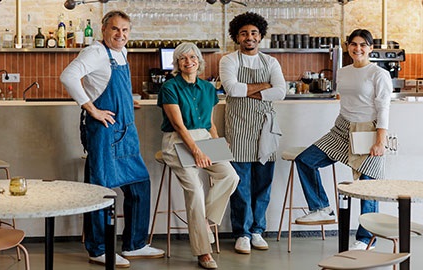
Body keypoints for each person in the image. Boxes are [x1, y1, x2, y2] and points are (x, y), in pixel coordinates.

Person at [60, 10, 164, 267]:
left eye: (125, 30)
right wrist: (92, 108)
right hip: (105, 133)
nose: (120, 35)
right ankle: (98, 249)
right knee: (101, 191)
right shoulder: (95, 52)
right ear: (103, 29)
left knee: (139, 184)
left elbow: (107, 83)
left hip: (125, 130)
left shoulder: (121, 52)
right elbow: (68, 76)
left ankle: (135, 244)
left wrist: (128, 102)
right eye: (115, 29)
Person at [294, 29, 393, 250]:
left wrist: (380, 140)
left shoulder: (378, 74)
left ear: (371, 48)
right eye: (354, 44)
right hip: (341, 128)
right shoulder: (344, 71)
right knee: (305, 160)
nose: (358, 48)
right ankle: (321, 207)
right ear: (348, 46)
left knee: (368, 186)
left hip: (368, 130)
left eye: (363, 45)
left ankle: (366, 239)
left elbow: (384, 108)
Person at [157, 42, 239, 269]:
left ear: (199, 61)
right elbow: (179, 126)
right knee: (195, 189)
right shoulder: (170, 87)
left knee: (230, 176)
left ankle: (205, 221)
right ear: (177, 63)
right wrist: (197, 151)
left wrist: (217, 147)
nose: (188, 62)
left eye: (192, 57)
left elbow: (211, 124)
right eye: (183, 58)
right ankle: (203, 252)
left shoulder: (209, 89)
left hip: (204, 137)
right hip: (177, 140)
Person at [219, 12, 287, 254]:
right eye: (244, 33)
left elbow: (281, 92)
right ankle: (242, 233)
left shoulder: (270, 62)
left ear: (261, 36)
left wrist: (249, 90)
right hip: (238, 128)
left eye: (254, 33)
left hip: (265, 128)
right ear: (237, 36)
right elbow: (231, 89)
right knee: (241, 184)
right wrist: (264, 87)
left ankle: (258, 230)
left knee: (263, 184)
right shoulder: (229, 60)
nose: (249, 37)